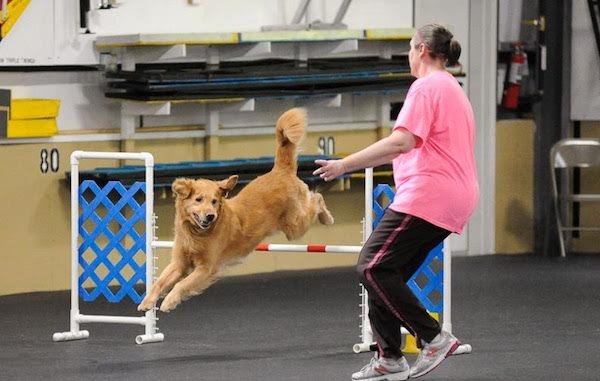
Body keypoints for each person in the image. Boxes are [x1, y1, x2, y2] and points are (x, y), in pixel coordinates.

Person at [313, 23, 479, 381]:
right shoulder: (452, 88)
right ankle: (389, 356)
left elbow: (400, 142)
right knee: (388, 272)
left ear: (421, 49)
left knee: (371, 266)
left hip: (429, 194)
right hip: (454, 196)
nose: (408, 54)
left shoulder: (426, 87)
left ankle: (433, 338)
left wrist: (344, 164)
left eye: (409, 47)